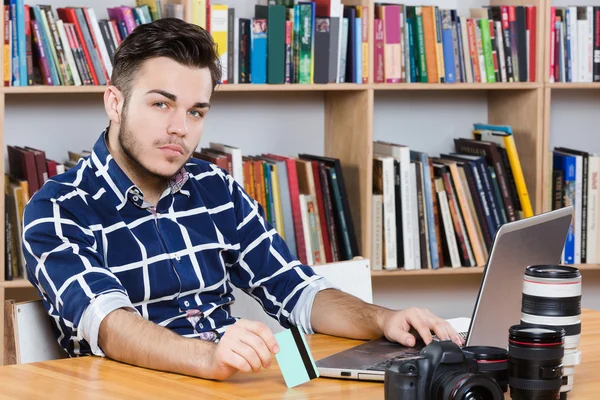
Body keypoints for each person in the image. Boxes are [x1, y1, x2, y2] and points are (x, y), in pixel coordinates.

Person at [22, 18, 461, 382]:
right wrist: (207, 357)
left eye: (196, 111)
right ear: (114, 103)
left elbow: (296, 291)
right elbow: (110, 326)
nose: (180, 128)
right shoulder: (56, 209)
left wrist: (383, 320)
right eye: (161, 105)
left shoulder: (216, 187)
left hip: (238, 382)